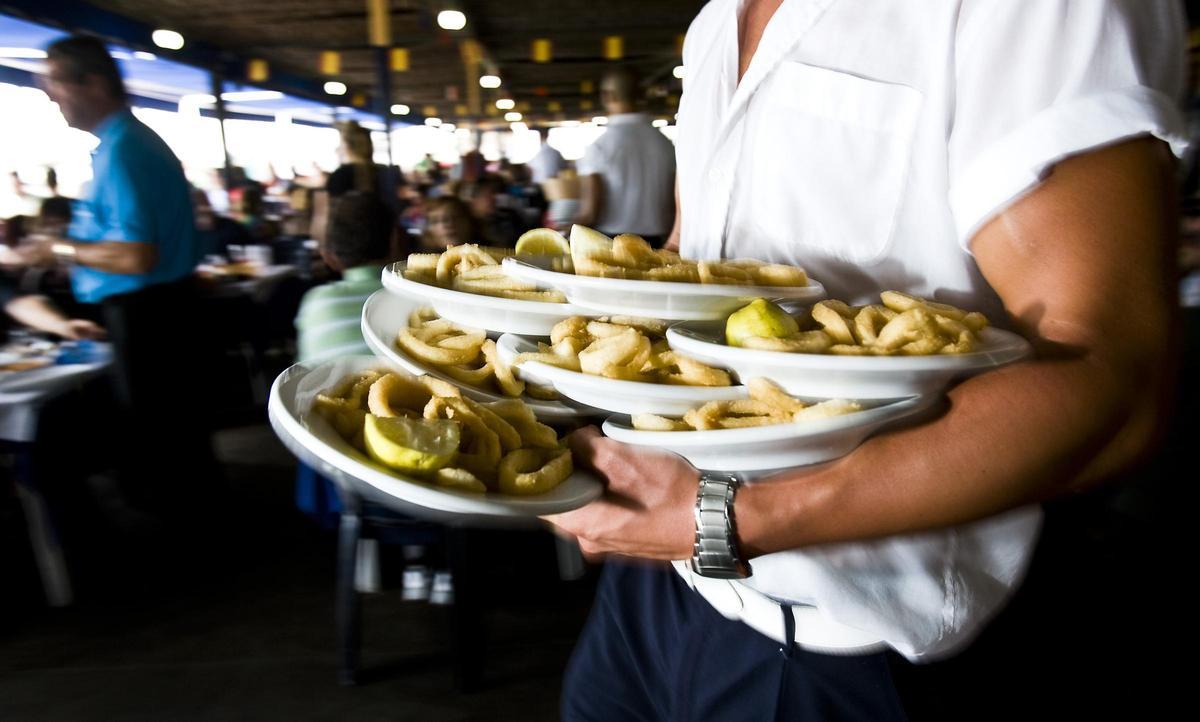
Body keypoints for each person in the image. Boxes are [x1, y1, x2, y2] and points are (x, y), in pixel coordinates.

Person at [551, 2, 1185, 720]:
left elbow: (1112, 381)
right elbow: (694, 258)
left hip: (848, 636)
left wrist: (724, 519)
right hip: (657, 587)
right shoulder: (714, 24)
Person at [17, 35, 214, 509]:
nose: (50, 96)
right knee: (177, 431)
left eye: (56, 83)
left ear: (95, 83)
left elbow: (135, 255)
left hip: (149, 314)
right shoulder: (123, 143)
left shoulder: (125, 149)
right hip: (161, 307)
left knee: (160, 433)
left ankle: (187, 544)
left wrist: (59, 246)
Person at [574, 67, 676, 246]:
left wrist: (565, 233)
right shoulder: (666, 144)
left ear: (607, 95)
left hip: (611, 243)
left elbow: (590, 212)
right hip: (660, 242)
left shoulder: (600, 146)